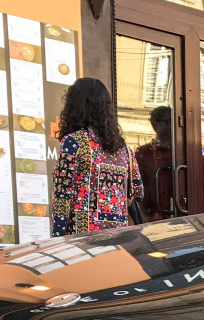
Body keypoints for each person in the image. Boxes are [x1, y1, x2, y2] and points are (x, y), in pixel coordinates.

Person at [51, 77, 142, 236]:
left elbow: (63, 197)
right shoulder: (123, 149)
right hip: (118, 236)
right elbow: (139, 191)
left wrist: (56, 238)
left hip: (83, 238)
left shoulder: (73, 143)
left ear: (74, 107)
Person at [134, 106, 173, 221]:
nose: (171, 126)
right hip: (152, 217)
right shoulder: (144, 153)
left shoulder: (182, 151)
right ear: (154, 125)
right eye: (167, 122)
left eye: (172, 122)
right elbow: (139, 188)